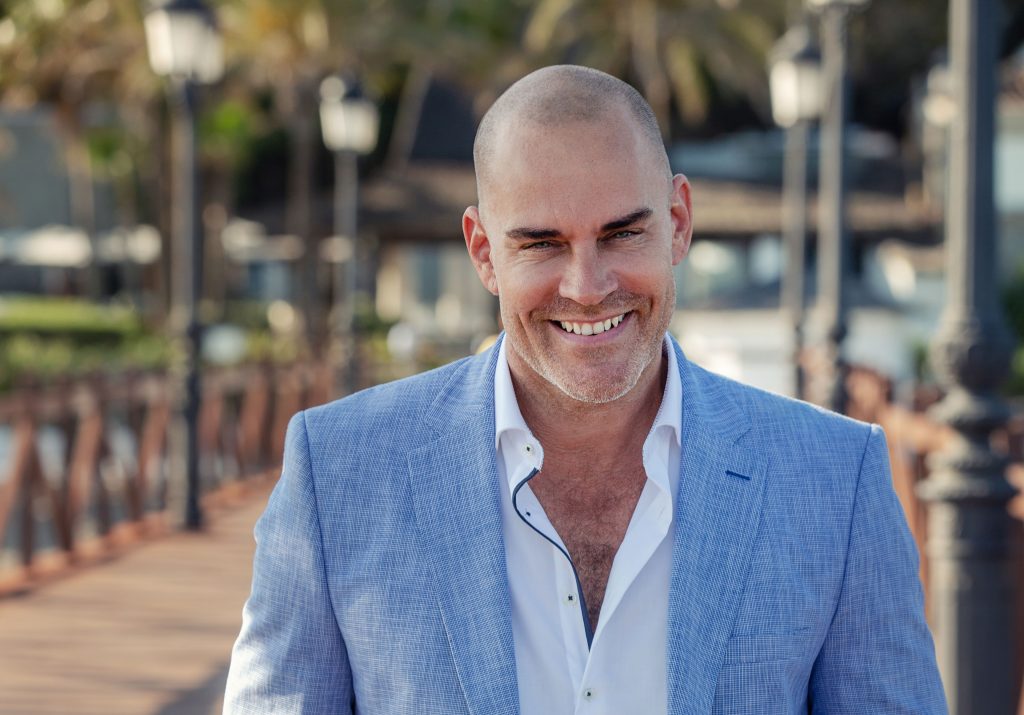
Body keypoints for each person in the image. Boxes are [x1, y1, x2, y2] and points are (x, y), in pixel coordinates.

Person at [224, 65, 946, 714]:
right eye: (542, 244)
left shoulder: (836, 478)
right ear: (483, 252)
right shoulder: (336, 471)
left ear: (678, 223)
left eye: (622, 234)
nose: (588, 286)